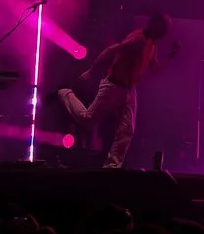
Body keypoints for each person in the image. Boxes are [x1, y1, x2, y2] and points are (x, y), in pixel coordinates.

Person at [59, 13, 177, 168]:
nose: (165, 32)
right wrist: (91, 71)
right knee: (88, 119)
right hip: (114, 86)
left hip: (129, 90)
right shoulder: (138, 40)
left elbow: (155, 70)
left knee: (126, 130)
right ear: (155, 25)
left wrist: (170, 56)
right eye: (164, 28)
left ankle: (112, 167)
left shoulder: (151, 45)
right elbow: (110, 50)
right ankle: (65, 93)